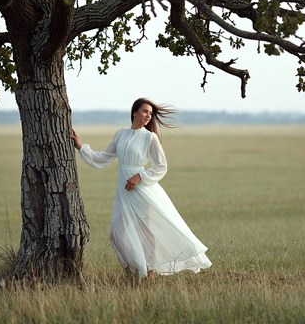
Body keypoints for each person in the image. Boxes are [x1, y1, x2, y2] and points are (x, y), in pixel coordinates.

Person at [71, 98, 212, 280]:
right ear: (135, 112)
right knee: (117, 232)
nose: (148, 116)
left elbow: (161, 166)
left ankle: (150, 273)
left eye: (150, 114)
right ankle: (133, 269)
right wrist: (80, 146)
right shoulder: (121, 134)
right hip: (124, 191)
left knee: (145, 230)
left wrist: (141, 176)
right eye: (145, 111)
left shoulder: (149, 137)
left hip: (142, 189)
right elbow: (103, 157)